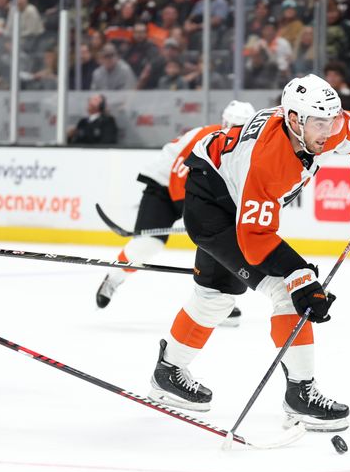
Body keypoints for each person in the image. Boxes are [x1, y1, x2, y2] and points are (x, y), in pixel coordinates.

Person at [145, 74, 350, 432]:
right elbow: (254, 237)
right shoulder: (269, 159)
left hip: (230, 187)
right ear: (294, 120)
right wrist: (300, 275)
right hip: (212, 206)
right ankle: (301, 395)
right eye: (319, 123)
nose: (329, 131)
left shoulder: (323, 126)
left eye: (333, 120)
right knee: (289, 294)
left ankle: (167, 371)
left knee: (216, 296)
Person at [95, 100, 256, 326]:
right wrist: (198, 216)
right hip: (163, 187)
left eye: (242, 127)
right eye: (233, 126)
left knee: (219, 245)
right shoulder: (207, 139)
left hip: (198, 193)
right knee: (148, 245)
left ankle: (215, 304)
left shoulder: (247, 149)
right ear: (224, 122)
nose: (236, 132)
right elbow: (179, 178)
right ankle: (114, 278)